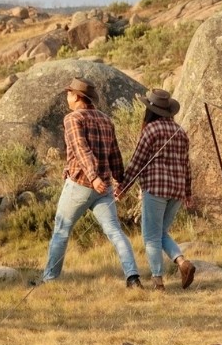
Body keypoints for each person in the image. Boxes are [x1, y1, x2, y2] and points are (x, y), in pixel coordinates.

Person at [41, 78, 143, 287]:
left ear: (77, 97)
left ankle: (50, 280)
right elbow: (115, 154)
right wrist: (120, 181)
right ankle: (133, 277)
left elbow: (81, 150)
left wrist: (93, 176)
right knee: (115, 231)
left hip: (81, 184)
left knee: (61, 231)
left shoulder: (72, 119)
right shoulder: (106, 120)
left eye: (69, 94)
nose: (67, 97)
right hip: (103, 188)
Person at [119, 89, 195, 291]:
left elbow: (137, 162)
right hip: (177, 191)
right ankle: (182, 262)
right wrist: (188, 193)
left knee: (151, 236)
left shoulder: (150, 130)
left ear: (150, 111)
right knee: (160, 232)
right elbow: (186, 166)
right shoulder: (181, 132)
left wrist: (123, 186)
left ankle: (158, 281)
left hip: (156, 189)